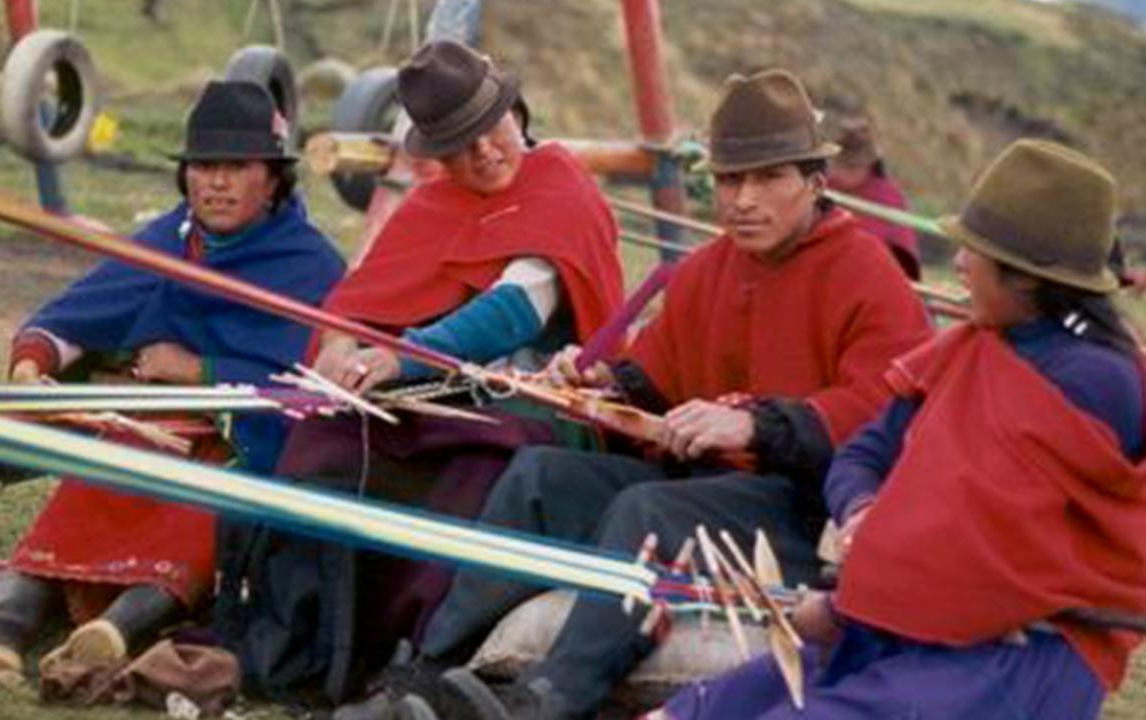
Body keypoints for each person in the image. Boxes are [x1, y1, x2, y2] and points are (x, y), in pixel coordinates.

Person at [346, 68, 933, 720]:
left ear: (815, 183)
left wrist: (756, 426)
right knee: (540, 474)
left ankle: (547, 699)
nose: (743, 199)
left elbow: (886, 415)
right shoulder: (710, 268)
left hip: (803, 509)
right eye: (731, 180)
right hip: (706, 488)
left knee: (647, 510)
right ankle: (428, 675)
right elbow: (654, 375)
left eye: (769, 178)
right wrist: (602, 383)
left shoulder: (866, 272)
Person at [659, 139, 1146, 719]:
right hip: (905, 618)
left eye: (974, 251)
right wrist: (861, 510)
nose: (959, 264)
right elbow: (867, 448)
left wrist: (846, 605)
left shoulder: (1095, 381)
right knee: (696, 711)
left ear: (1028, 279)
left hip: (1011, 657)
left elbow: (983, 543)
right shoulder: (973, 347)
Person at [211, 39, 624, 703]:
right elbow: (362, 300)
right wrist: (341, 351)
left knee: (479, 473)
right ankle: (300, 641)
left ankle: (411, 654)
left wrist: (401, 357)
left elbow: (514, 308)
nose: (485, 153)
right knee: (323, 441)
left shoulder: (560, 188)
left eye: (494, 129)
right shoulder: (434, 206)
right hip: (421, 396)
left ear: (517, 112)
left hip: (532, 407)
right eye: (460, 146)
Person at [0, 80, 345, 678]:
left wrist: (199, 371)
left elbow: (316, 387)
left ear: (274, 179)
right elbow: (75, 316)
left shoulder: (311, 266)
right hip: (146, 430)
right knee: (91, 488)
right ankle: (2, 627)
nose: (216, 182)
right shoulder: (170, 242)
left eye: (237, 167)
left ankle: (118, 633)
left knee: (204, 509)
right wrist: (32, 367)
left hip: (240, 451)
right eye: (203, 167)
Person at [827, 112, 921, 280]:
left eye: (852, 168)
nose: (842, 174)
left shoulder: (887, 196)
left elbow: (899, 253)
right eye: (839, 166)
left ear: (868, 166)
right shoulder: (825, 187)